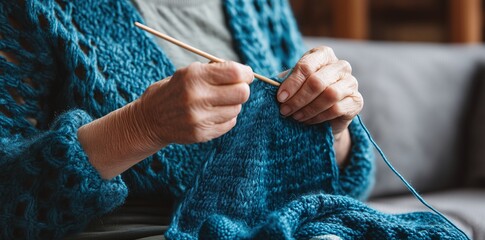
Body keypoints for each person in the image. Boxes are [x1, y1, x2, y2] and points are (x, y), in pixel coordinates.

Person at [1, 0, 465, 240]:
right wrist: (141, 126)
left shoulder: (257, 5)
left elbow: (321, 185)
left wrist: (331, 128)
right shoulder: (30, 10)